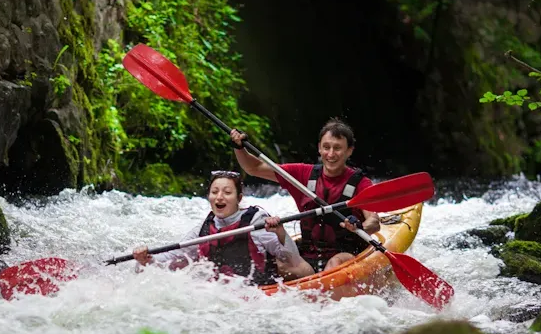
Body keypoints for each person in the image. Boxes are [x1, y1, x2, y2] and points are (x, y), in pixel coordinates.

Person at [229, 118, 380, 275]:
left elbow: (374, 222)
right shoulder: (301, 174)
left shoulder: (361, 183)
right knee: (276, 266)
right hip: (307, 256)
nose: (331, 154)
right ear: (319, 149)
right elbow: (254, 168)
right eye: (326, 147)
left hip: (346, 255)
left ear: (349, 150)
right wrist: (240, 149)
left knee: (334, 263)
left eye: (337, 148)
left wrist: (360, 227)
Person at [131, 171, 313, 285]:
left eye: (227, 193)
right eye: (214, 192)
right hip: (218, 297)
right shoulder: (203, 228)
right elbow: (172, 258)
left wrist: (281, 233)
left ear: (239, 198)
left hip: (256, 292)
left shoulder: (256, 221)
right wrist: (147, 258)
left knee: (298, 268)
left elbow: (291, 260)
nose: (219, 197)